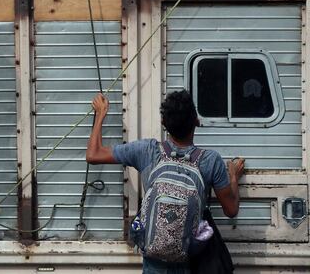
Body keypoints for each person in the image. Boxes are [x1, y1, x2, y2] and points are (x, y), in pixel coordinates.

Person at [86, 90, 245, 274]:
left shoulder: (147, 151)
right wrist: (233, 176)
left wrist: (100, 114)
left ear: (163, 123)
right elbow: (231, 210)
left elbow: (93, 154)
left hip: (154, 262)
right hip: (190, 260)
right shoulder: (210, 160)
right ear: (196, 121)